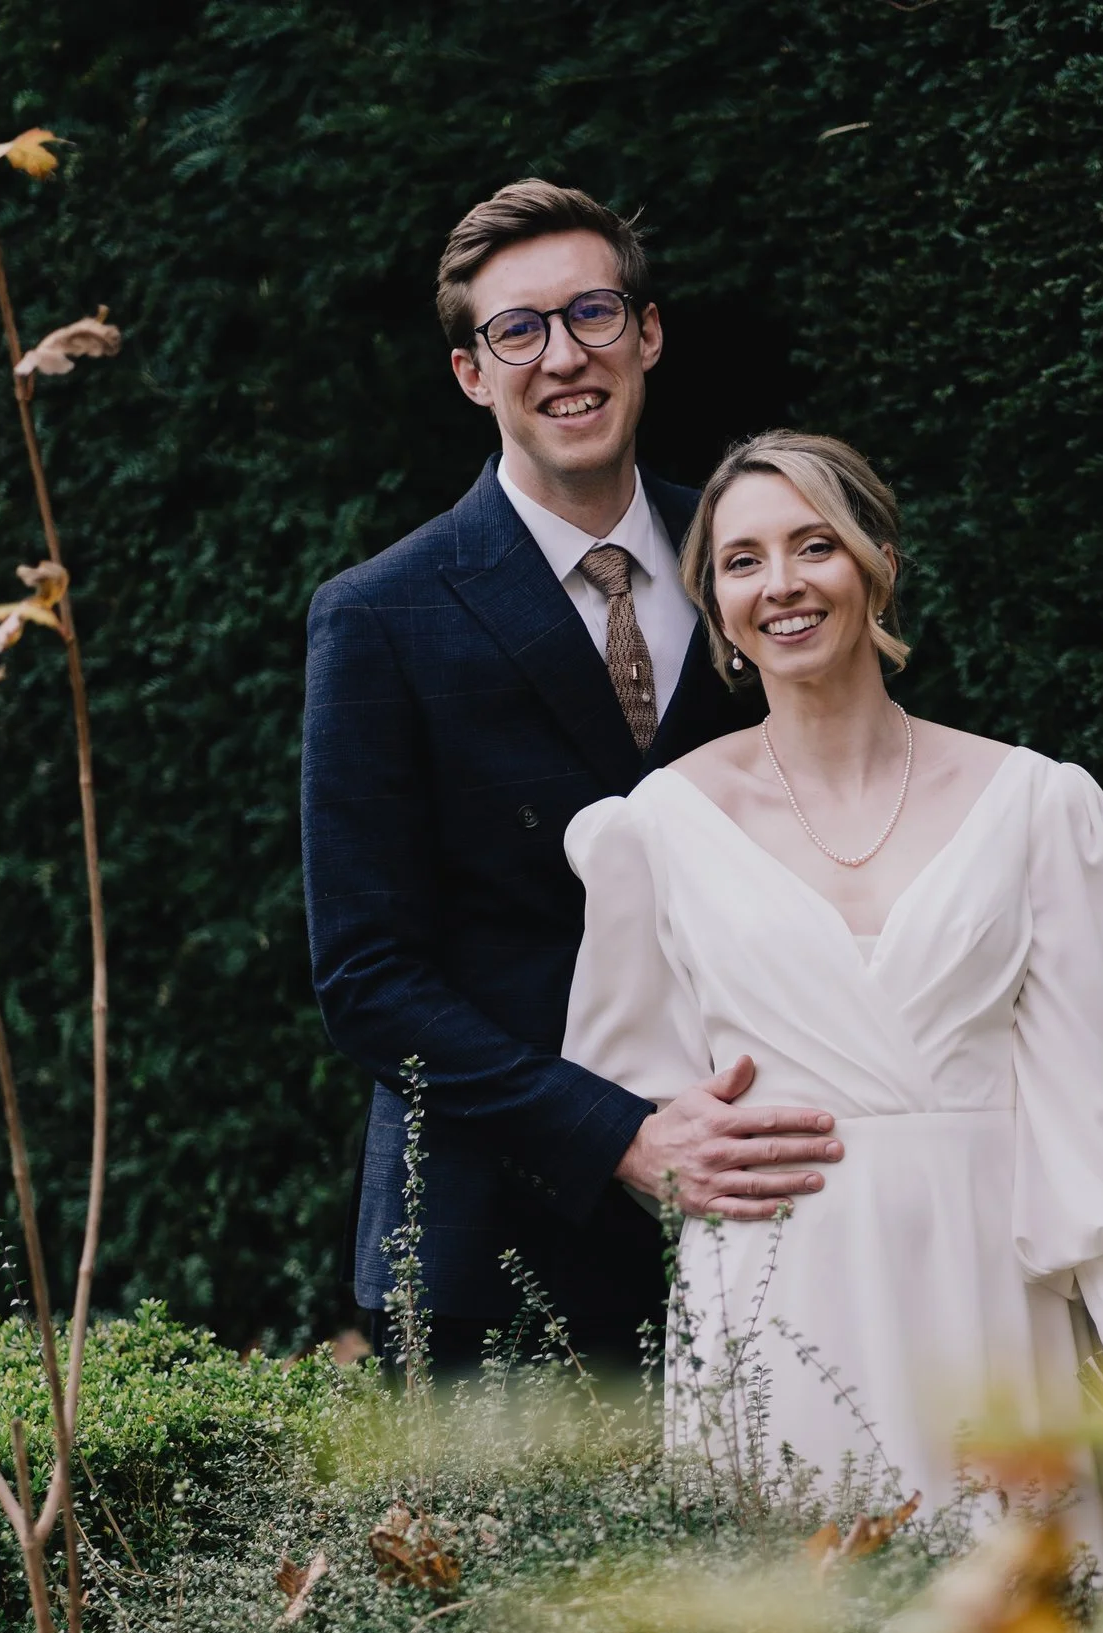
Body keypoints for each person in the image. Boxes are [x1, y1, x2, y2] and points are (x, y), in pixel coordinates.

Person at [560, 431, 1103, 1547]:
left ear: (878, 562)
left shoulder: (1037, 806)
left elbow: (1098, 1105)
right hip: (777, 1285)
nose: (783, 584)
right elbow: (621, 1091)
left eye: (816, 545)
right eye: (744, 560)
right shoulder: (657, 826)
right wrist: (672, 1146)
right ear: (714, 597)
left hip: (993, 1285)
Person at [302, 182, 844, 1373]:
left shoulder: (760, 568)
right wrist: (619, 1135)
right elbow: (367, 979)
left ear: (646, 335)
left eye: (593, 313)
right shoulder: (378, 617)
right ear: (471, 374)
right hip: (491, 1247)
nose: (564, 356)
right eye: (518, 330)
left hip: (777, 1211)